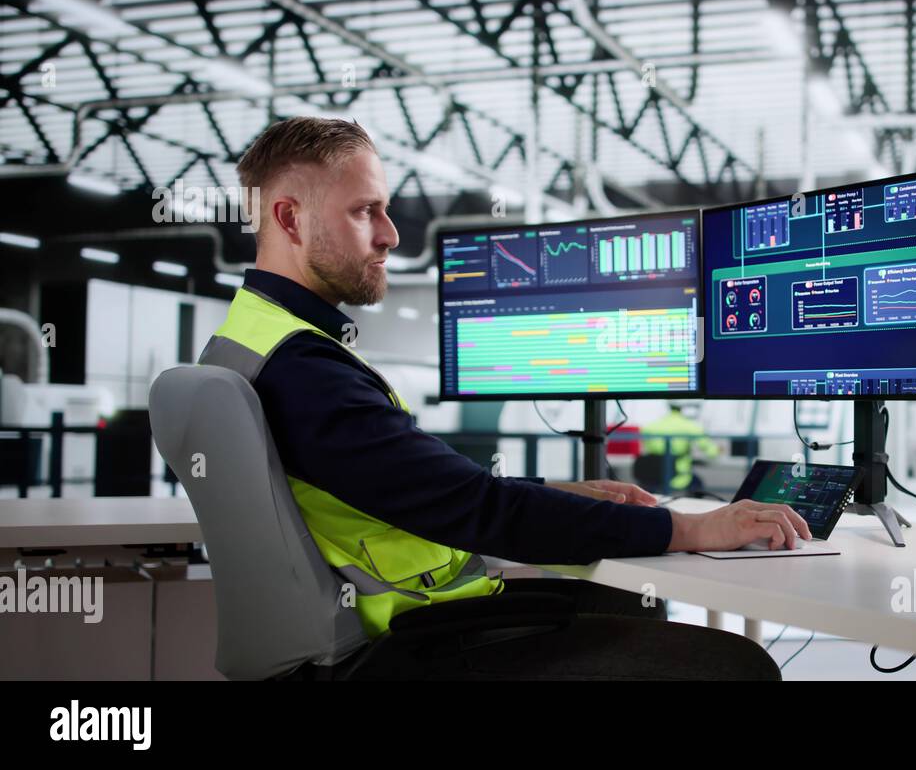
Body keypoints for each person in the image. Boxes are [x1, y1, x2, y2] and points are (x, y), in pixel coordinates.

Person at [199, 116, 808, 680]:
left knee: (627, 597)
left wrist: (554, 495)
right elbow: (480, 512)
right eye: (366, 212)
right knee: (734, 666)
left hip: (392, 625)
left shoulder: (254, 338)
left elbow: (420, 487)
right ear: (289, 219)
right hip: (402, 644)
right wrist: (691, 528)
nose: (389, 235)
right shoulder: (303, 367)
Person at [640, 402, 721, 494]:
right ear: (683, 409)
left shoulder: (651, 426)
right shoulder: (691, 426)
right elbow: (711, 452)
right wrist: (717, 450)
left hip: (652, 476)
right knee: (698, 484)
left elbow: (645, 449)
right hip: (679, 477)